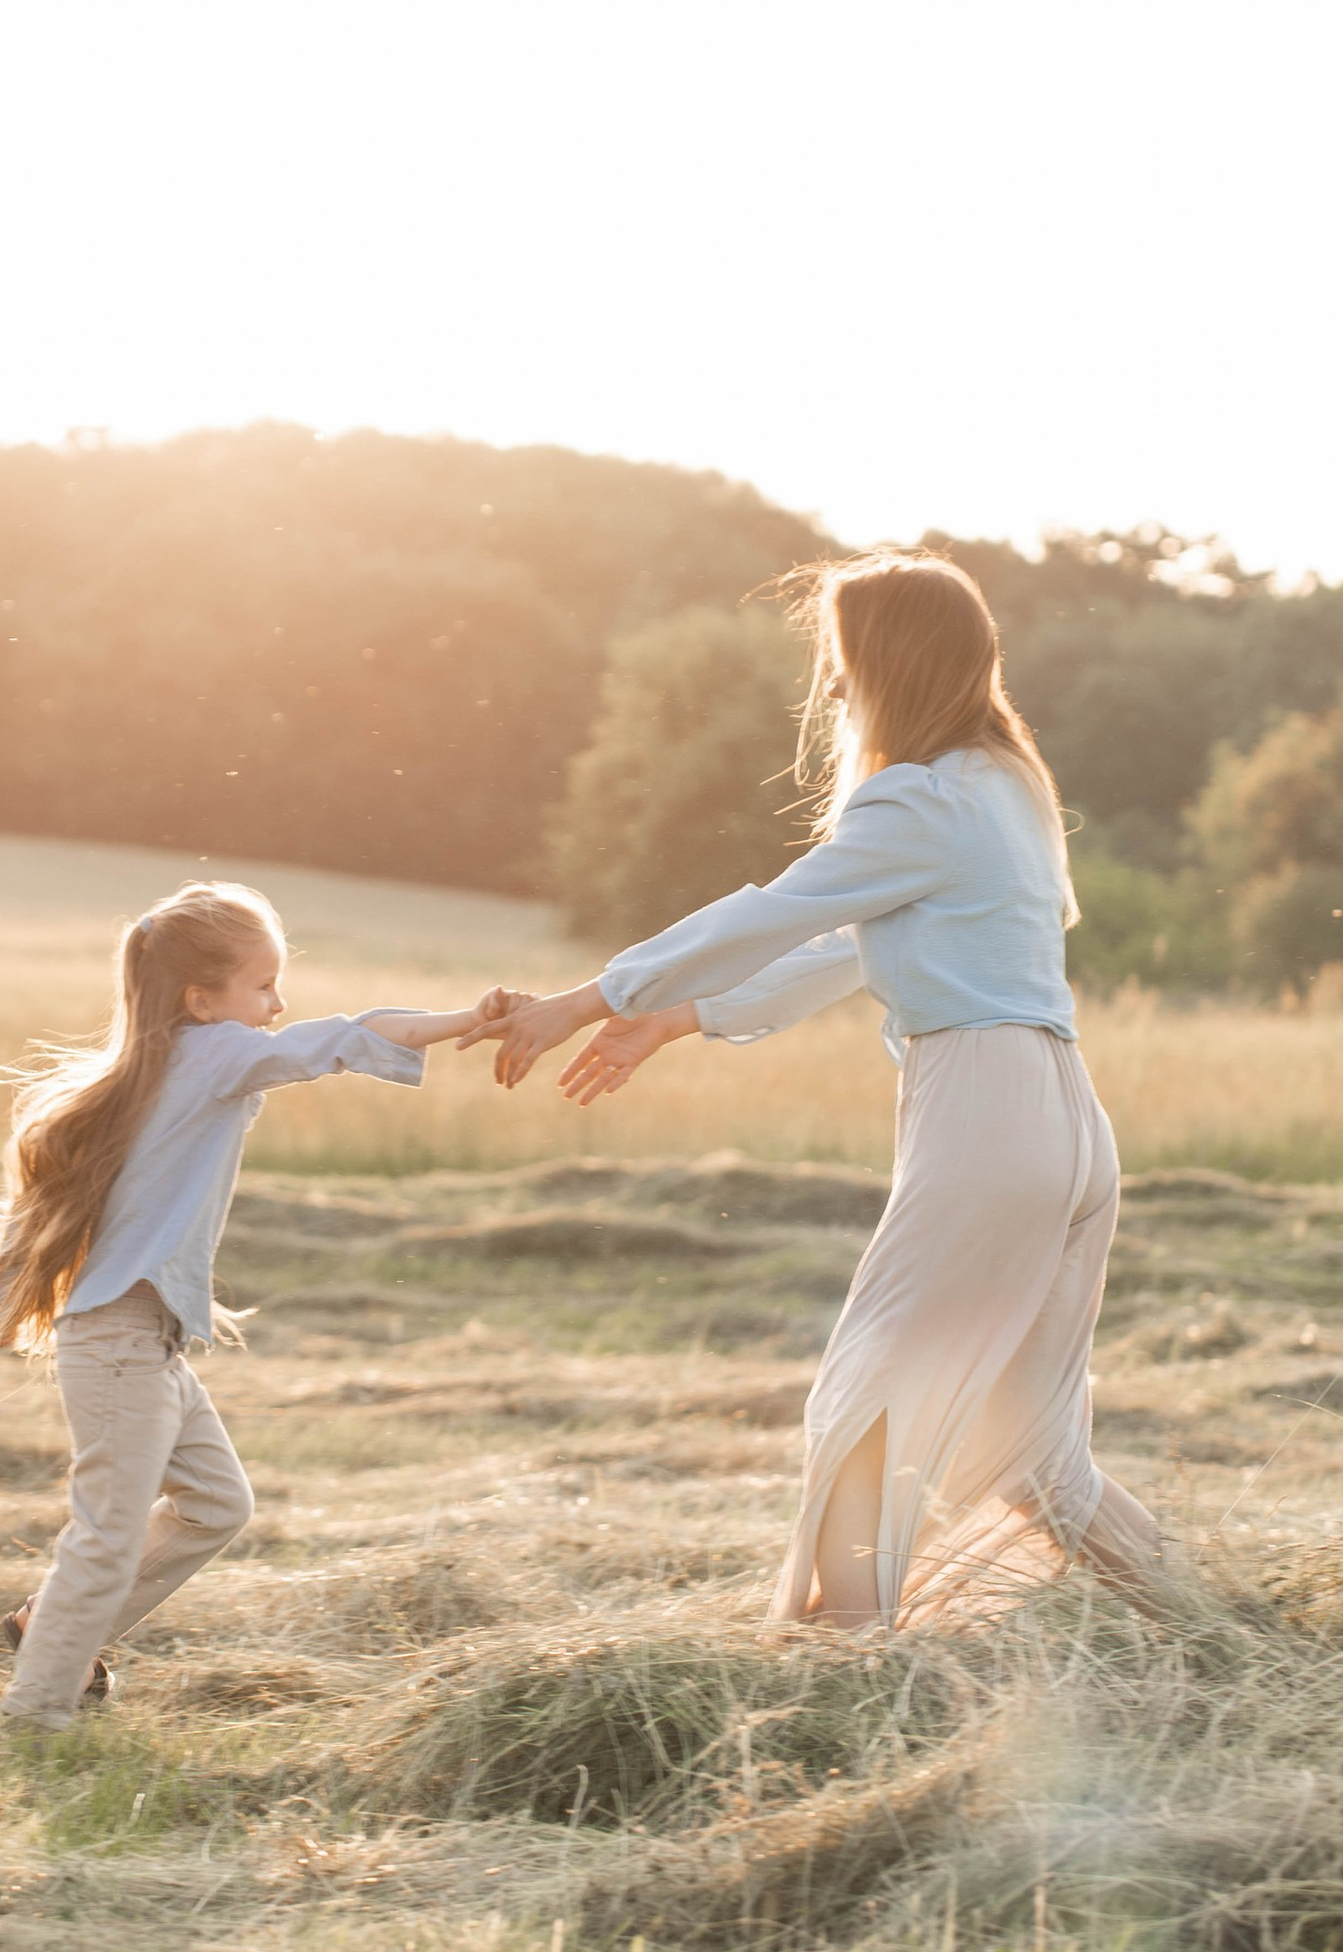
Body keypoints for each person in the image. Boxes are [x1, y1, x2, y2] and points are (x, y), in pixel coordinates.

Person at [489, 555, 1194, 1634]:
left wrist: (587, 1000)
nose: (828, 685)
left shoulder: (916, 798)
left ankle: (852, 1658)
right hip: (1068, 1123)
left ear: (889, 665)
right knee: (1035, 1450)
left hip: (984, 1117)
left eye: (839, 659)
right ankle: (1217, 1624)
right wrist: (681, 1017)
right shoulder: (1003, 787)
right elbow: (846, 946)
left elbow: (770, 913)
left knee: (865, 1399)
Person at [0, 883, 502, 1733]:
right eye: (263, 986)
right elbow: (339, 1038)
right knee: (106, 1537)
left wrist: (1, 1291)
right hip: (120, 1345)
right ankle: (34, 1715)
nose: (276, 1004)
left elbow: (57, 1196)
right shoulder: (213, 1054)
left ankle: (50, 1631)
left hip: (150, 1344)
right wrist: (463, 1020)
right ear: (201, 1001)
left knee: (217, 1504)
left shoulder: (160, 1070)